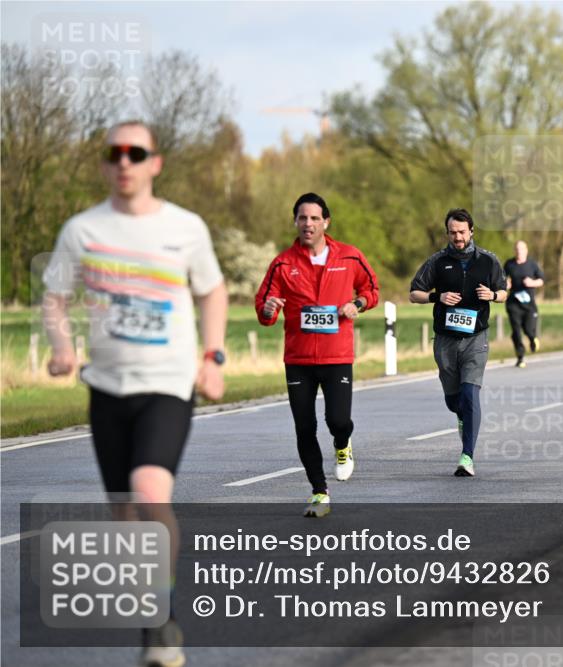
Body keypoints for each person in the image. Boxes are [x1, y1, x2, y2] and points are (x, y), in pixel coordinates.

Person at [42, 120, 228, 667]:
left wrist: (213, 357)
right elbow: (55, 298)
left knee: (150, 493)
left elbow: (212, 290)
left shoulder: (185, 227)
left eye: (136, 153)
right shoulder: (82, 230)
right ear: (104, 164)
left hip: (167, 384)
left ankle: (162, 620)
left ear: (155, 163)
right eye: (114, 153)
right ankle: (153, 611)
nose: (125, 162)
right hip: (106, 387)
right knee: (124, 513)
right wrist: (62, 347)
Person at [255, 192, 379, 517]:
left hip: (337, 355)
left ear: (326, 222)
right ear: (295, 222)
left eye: (314, 218)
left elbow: (372, 290)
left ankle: (342, 444)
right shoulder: (283, 264)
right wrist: (268, 310)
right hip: (298, 360)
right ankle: (319, 492)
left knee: (337, 420)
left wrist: (358, 304)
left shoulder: (349, 258)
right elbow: (264, 308)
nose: (307, 224)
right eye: (302, 218)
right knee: (304, 427)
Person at [410, 208, 507, 477]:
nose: (458, 237)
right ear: (447, 233)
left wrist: (492, 294)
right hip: (445, 341)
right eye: (453, 233)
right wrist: (435, 298)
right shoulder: (437, 262)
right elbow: (413, 293)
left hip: (476, 338)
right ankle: (461, 416)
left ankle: (467, 456)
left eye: (462, 232)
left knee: (470, 393)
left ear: (472, 231)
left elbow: (504, 292)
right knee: (454, 401)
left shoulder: (488, 261)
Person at [503, 240, 545, 368]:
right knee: (516, 331)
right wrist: (506, 284)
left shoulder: (532, 264)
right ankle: (520, 357)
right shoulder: (509, 264)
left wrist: (532, 282)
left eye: (521, 249)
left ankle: (532, 338)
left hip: (529, 304)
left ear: (526, 250)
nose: (519, 252)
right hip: (513, 303)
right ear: (514, 251)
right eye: (517, 249)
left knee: (528, 329)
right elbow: (502, 279)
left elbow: (541, 280)